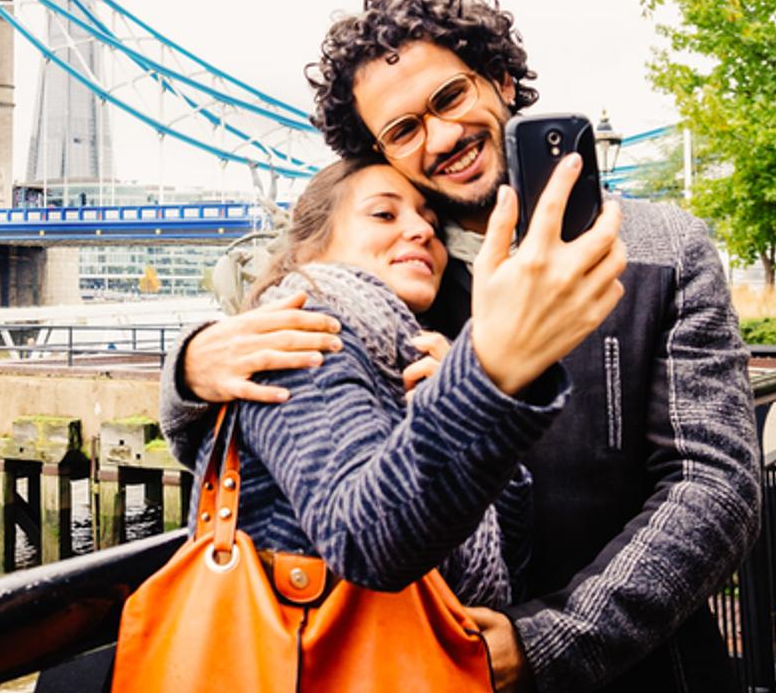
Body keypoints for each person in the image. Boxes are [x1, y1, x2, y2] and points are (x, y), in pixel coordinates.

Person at [162, 0, 762, 693]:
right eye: (404, 130)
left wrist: (551, 642)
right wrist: (189, 368)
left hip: (641, 670)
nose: (441, 137)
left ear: (501, 81)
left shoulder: (666, 247)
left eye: (450, 98)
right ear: (378, 151)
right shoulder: (386, 277)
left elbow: (713, 484)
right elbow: (272, 389)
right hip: (417, 665)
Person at [193, 152, 622, 623]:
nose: (421, 231)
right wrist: (476, 390)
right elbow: (364, 542)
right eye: (384, 213)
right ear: (308, 250)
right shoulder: (298, 338)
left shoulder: (404, 355)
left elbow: (511, 560)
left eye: (433, 225)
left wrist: (458, 405)